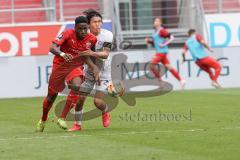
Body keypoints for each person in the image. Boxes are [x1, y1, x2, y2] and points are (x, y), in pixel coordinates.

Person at [36, 16, 100, 132]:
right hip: (60, 66)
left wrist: (94, 68)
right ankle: (43, 119)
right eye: (80, 29)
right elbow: (52, 47)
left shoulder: (92, 39)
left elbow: (91, 55)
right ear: (75, 28)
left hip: (74, 66)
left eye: (85, 29)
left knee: (77, 85)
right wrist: (62, 54)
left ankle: (62, 118)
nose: (83, 32)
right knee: (51, 97)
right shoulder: (67, 34)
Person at [63, 9, 114, 131]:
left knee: (97, 101)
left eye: (99, 21)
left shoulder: (107, 35)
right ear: (88, 24)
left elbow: (106, 54)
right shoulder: (84, 36)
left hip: (104, 72)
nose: (98, 24)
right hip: (90, 70)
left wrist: (92, 53)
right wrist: (93, 68)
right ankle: (77, 125)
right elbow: (84, 56)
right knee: (80, 99)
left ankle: (106, 111)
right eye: (95, 22)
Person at [145, 17, 186, 89]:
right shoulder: (155, 32)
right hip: (160, 52)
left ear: (160, 23)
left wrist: (164, 44)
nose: (156, 22)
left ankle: (160, 81)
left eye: (157, 21)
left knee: (151, 65)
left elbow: (172, 37)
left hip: (161, 53)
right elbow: (156, 43)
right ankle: (181, 80)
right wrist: (148, 41)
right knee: (169, 67)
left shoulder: (162, 30)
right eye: (155, 21)